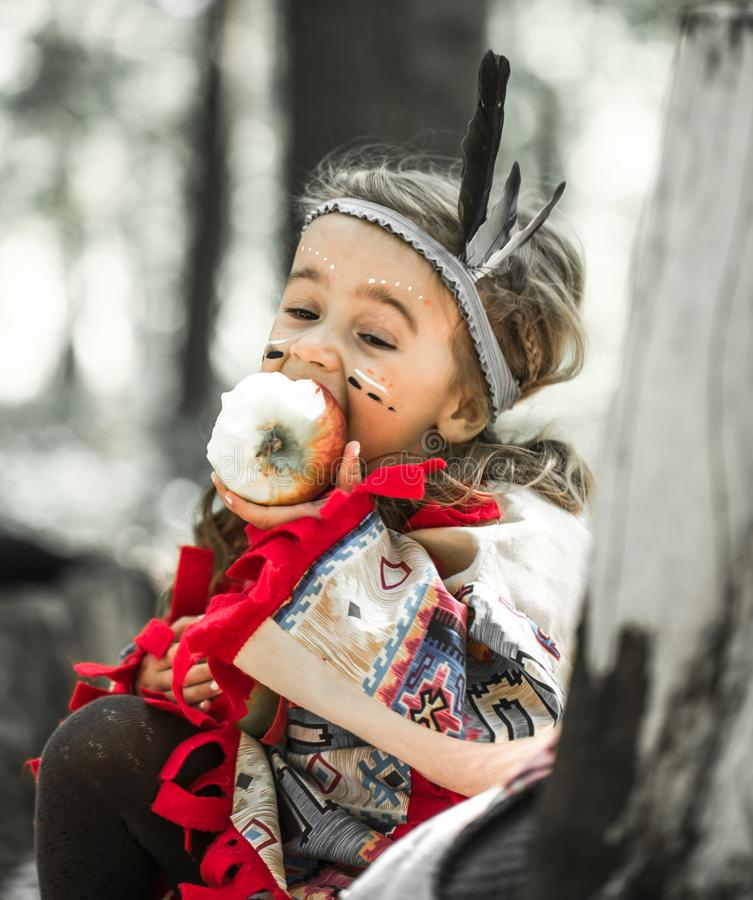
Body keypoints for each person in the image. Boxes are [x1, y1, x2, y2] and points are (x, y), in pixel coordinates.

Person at [34, 51, 593, 899]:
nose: (312, 348)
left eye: (374, 337)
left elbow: (463, 707)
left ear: (465, 410)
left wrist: (334, 543)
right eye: (301, 309)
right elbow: (270, 710)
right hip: (290, 836)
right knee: (99, 747)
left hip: (455, 855)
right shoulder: (272, 497)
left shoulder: (513, 536)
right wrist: (203, 677)